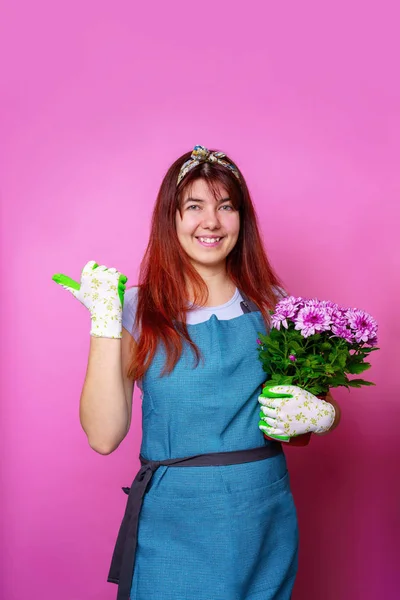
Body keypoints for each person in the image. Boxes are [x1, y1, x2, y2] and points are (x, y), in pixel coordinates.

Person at [52, 145, 341, 600]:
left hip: (263, 518)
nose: (212, 221)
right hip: (175, 522)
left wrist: (324, 416)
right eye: (195, 206)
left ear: (241, 219)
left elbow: (308, 412)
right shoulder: (137, 309)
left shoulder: (273, 304)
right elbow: (104, 436)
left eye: (226, 206)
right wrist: (104, 322)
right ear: (171, 218)